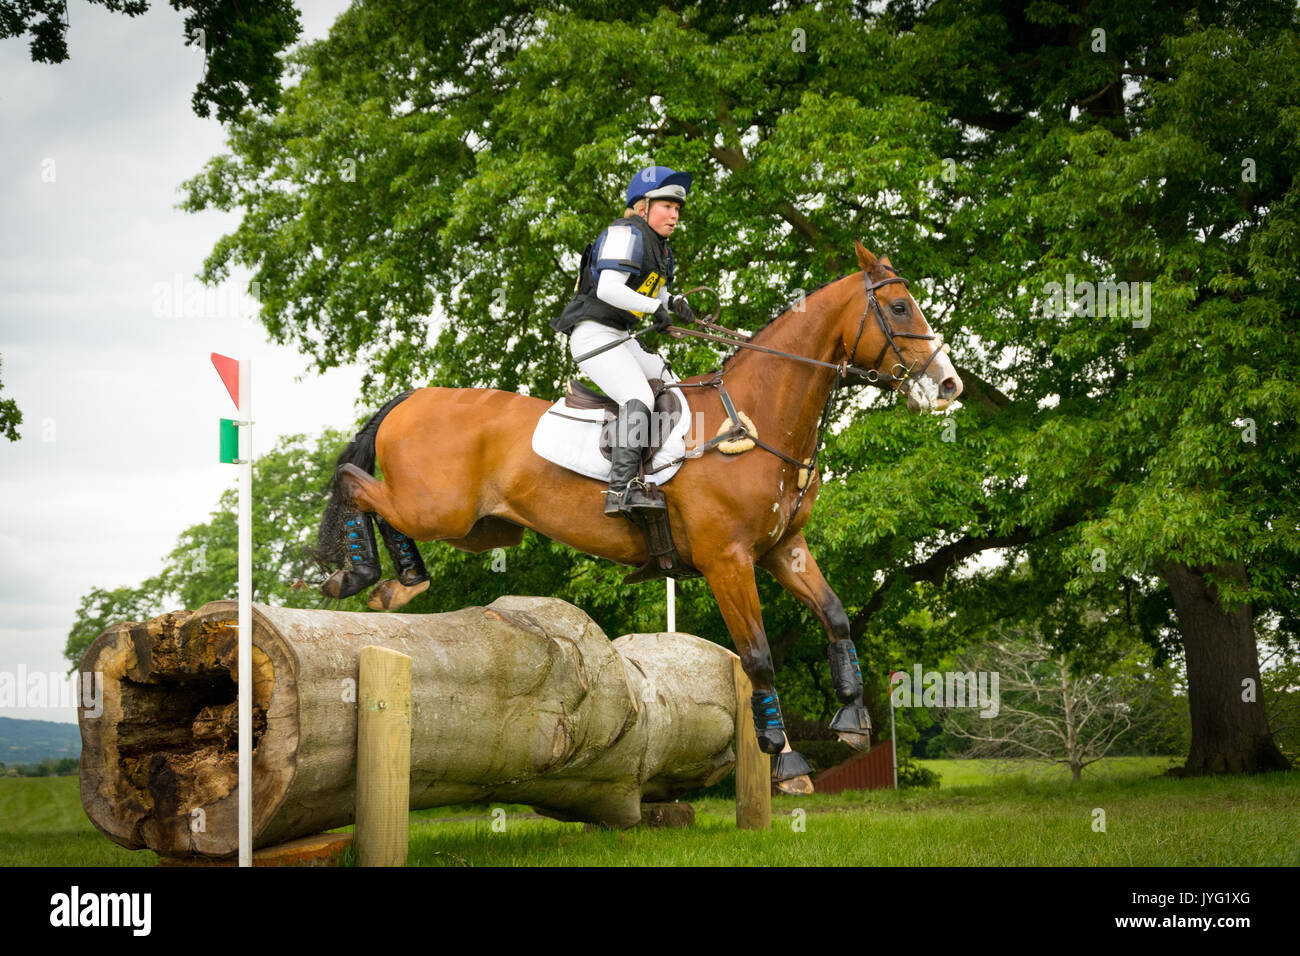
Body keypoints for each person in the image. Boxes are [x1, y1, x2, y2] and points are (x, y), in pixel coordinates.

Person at [552, 165, 696, 517]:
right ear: (643, 206)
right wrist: (653, 308)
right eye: (667, 207)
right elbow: (608, 288)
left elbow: (654, 290)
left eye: (678, 210)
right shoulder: (625, 231)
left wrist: (672, 303)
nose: (675, 215)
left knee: (668, 380)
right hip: (593, 335)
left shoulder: (660, 248)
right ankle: (620, 490)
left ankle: (668, 469)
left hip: (620, 335)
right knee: (640, 395)